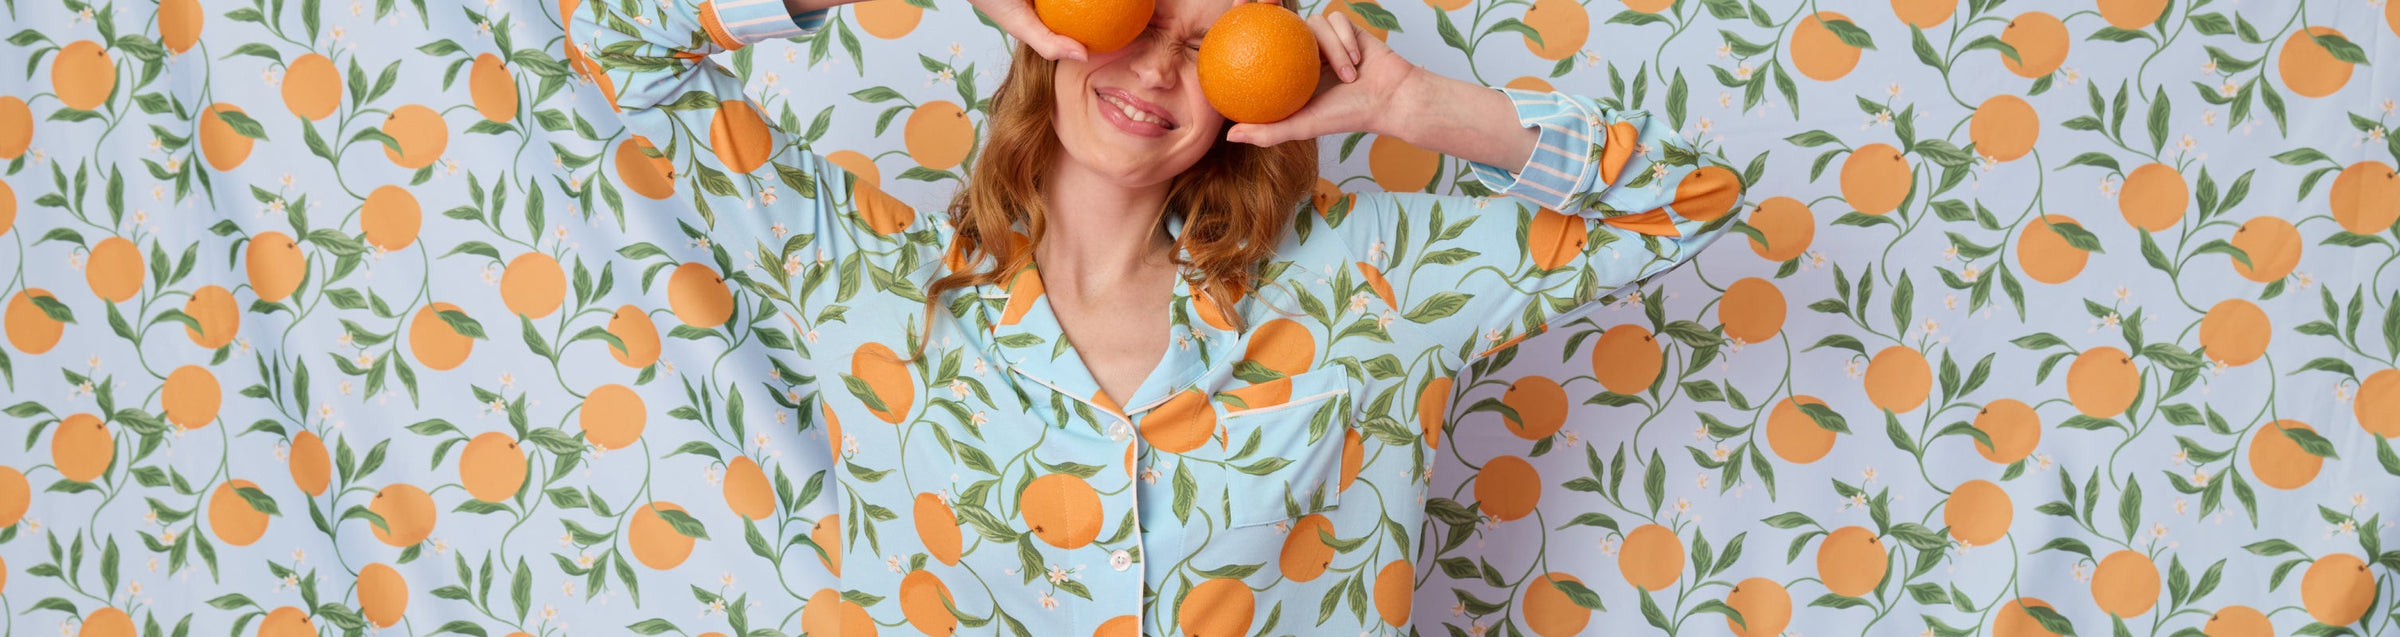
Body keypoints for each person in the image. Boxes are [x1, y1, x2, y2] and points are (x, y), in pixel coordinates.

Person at [574, 0, 1745, 630]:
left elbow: (1687, 199)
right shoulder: (866, 277)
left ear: (1256, 86)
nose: (1153, 71)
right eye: (1138, 18)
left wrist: (1413, 105)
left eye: (1208, 45)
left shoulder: (1369, 286)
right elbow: (614, 40)